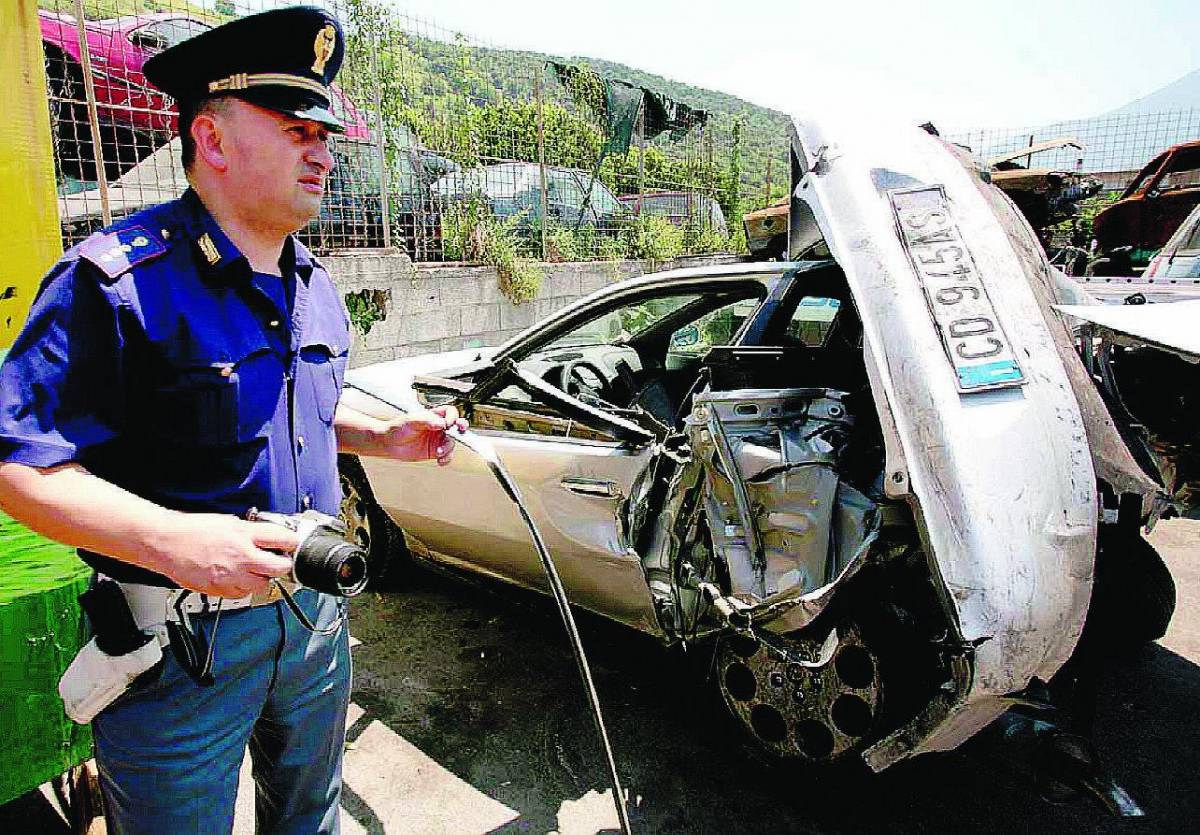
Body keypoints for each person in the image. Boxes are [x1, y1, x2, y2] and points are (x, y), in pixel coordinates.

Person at [0, 6, 464, 833]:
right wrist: (178, 543)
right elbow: (22, 467)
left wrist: (379, 436)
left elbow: (284, 411)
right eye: (296, 128)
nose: (324, 149)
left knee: (309, 821)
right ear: (211, 141)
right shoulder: (112, 284)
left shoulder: (314, 282)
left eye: (326, 131)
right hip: (178, 649)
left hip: (315, 619)